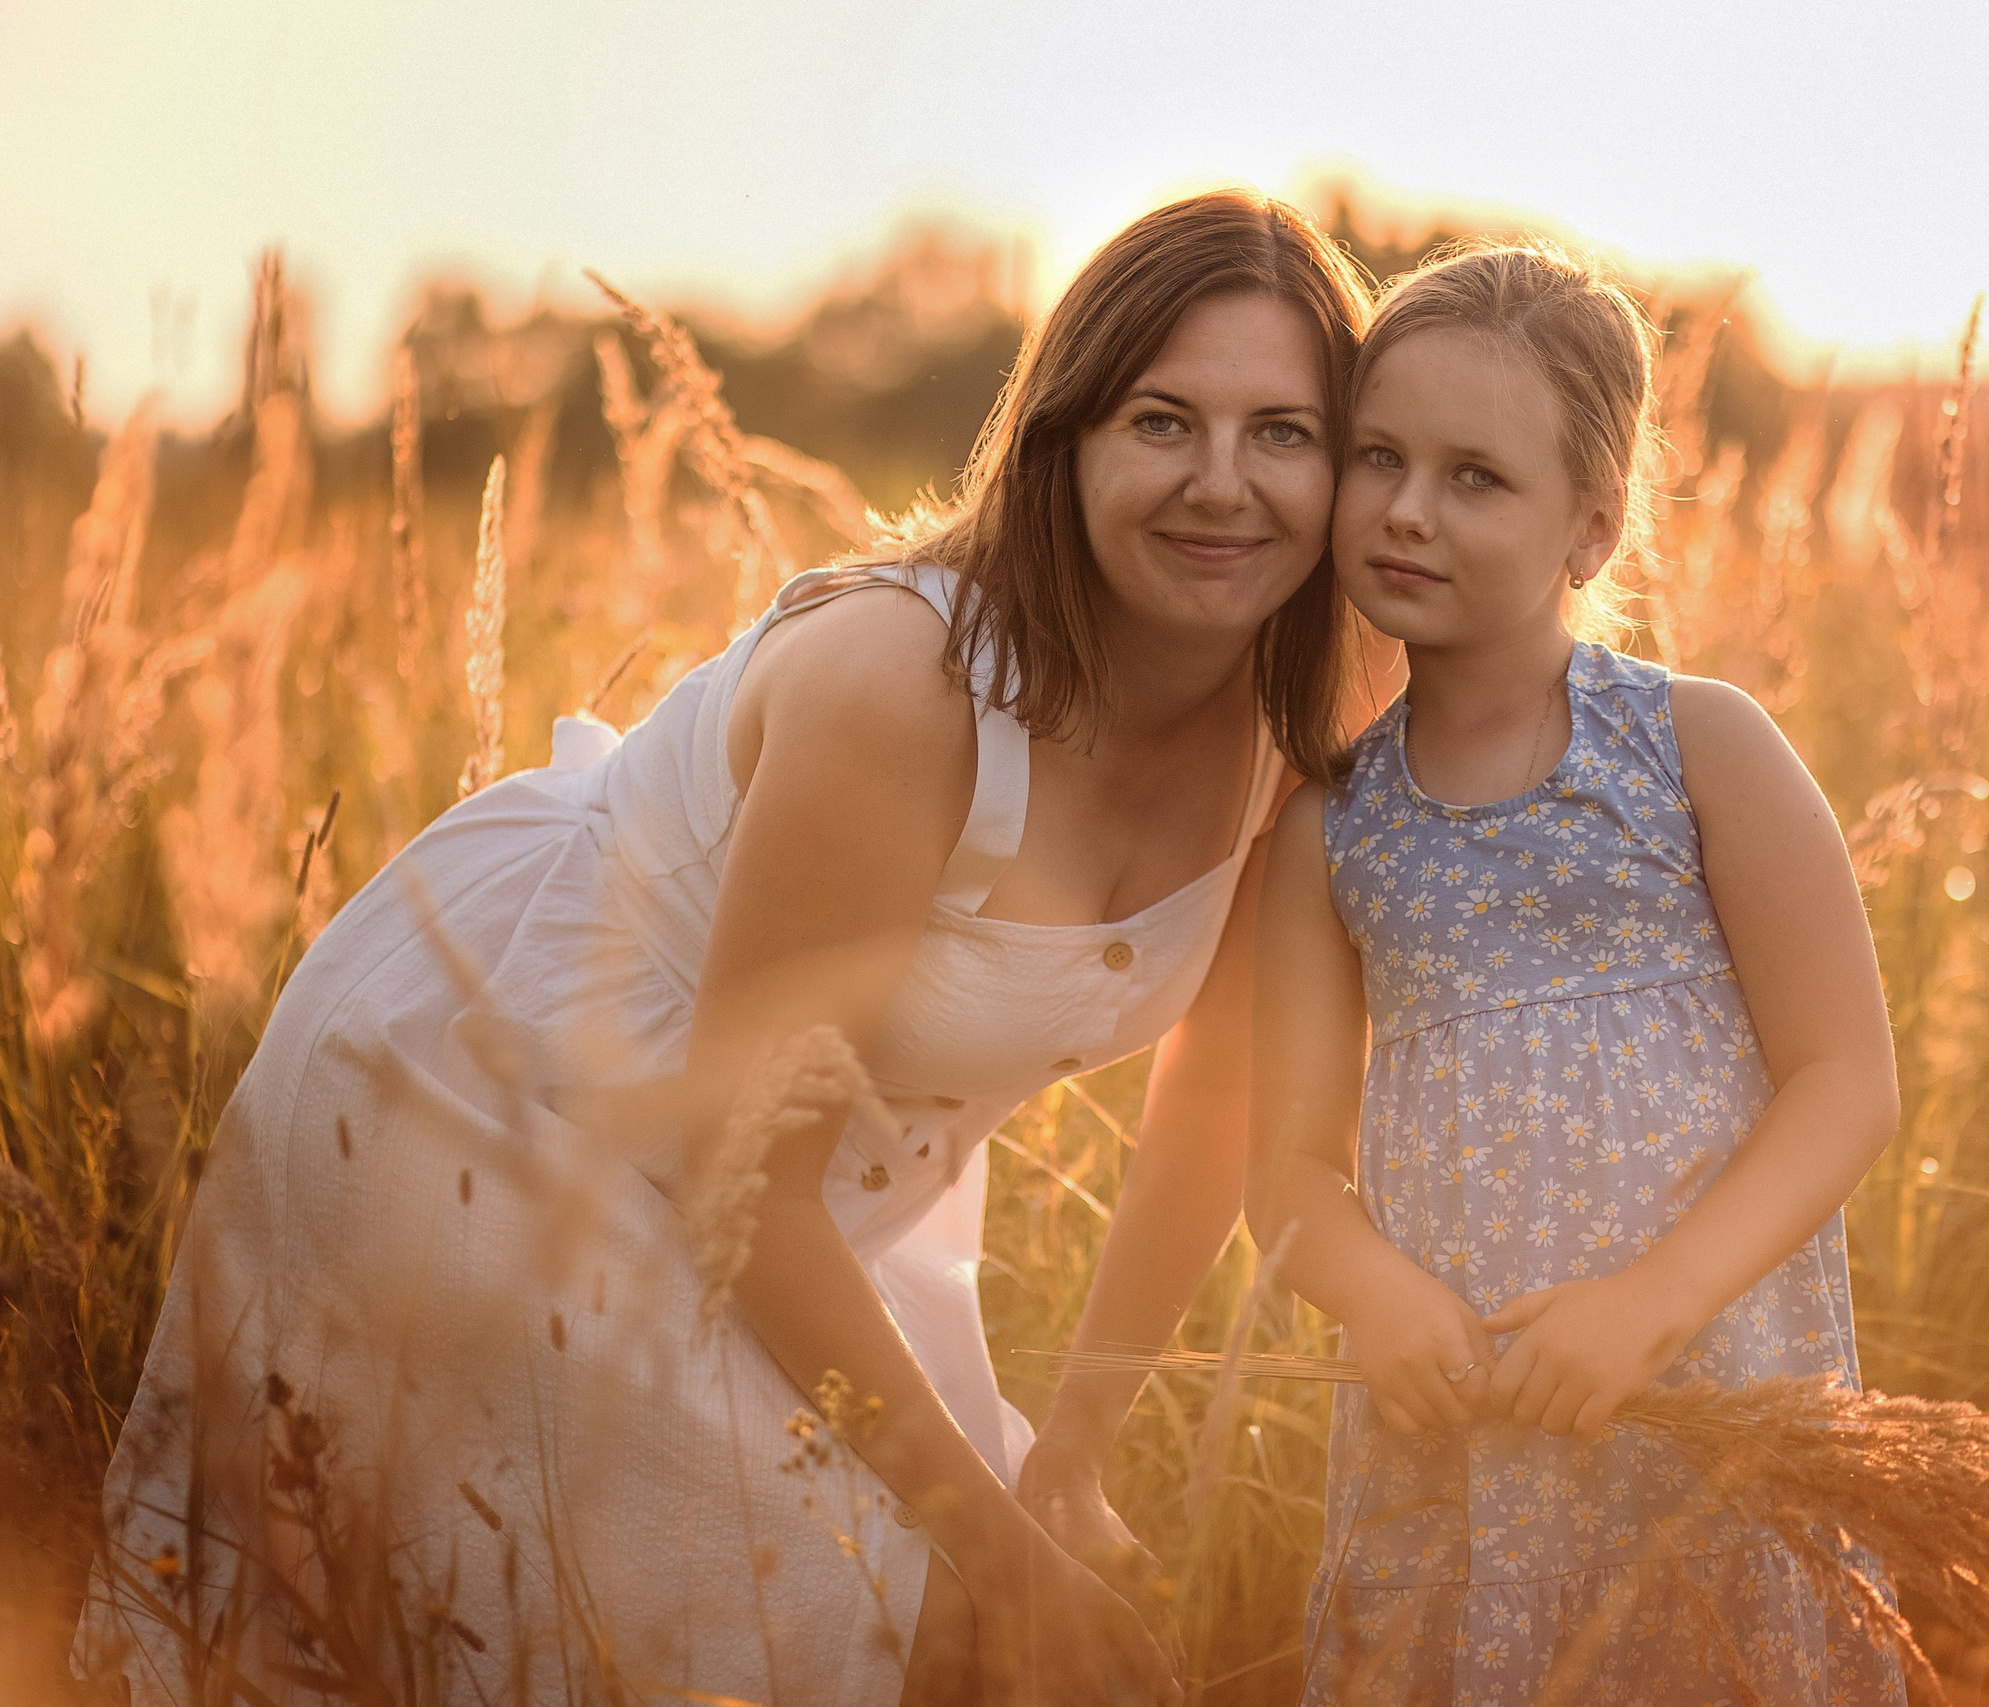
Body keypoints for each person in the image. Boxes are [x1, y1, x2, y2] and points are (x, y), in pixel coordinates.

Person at [80, 188, 1373, 1707]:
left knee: (944, 1616)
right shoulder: (908, 689)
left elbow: (1214, 1106)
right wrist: (1008, 1564)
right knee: (923, 1630)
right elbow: (744, 1186)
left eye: (1282, 433)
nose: (1223, 484)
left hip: (804, 1189)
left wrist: (1074, 1452)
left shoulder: (1313, 718)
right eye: (1164, 422)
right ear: (1063, 443)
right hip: (505, 1104)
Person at [1247, 241, 1908, 1703]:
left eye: (1478, 477)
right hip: (1458, 1452)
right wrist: (1373, 1296)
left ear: (1592, 527)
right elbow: (1282, 1176)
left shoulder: (1697, 749)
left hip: (1703, 1401)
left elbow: (1846, 1083)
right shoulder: (1331, 825)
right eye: (1381, 458)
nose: (1409, 511)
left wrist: (1650, 1304)